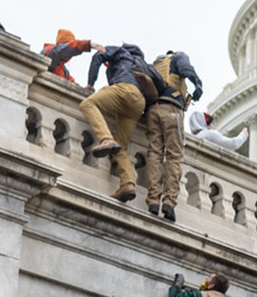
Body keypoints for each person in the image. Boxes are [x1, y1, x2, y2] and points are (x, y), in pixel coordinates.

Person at [81, 43, 147, 203]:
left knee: (88, 104)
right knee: (120, 147)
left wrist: (90, 84)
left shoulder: (121, 52)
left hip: (124, 89)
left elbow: (98, 56)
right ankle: (127, 184)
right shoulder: (143, 66)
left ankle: (105, 138)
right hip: (138, 103)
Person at [145, 51, 204, 222]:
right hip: (172, 110)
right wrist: (198, 85)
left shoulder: (156, 63)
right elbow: (186, 70)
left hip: (153, 111)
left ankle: (153, 200)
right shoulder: (179, 57)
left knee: (154, 153)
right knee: (174, 156)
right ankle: (169, 202)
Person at [40, 29, 105, 83]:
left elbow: (70, 81)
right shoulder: (50, 53)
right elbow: (63, 50)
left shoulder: (64, 72)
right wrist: (88, 44)